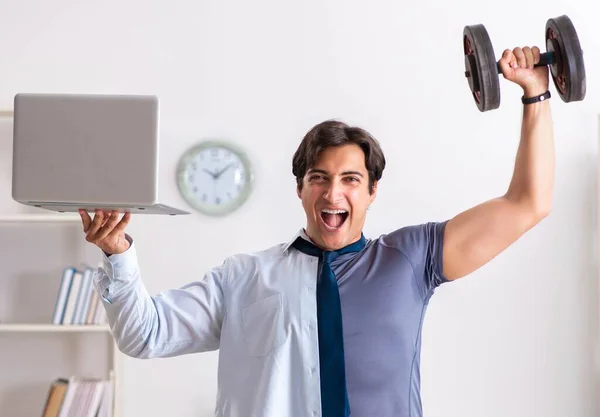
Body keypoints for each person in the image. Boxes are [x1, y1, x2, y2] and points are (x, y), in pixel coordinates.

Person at [79, 45, 553, 417]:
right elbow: (145, 334)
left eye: (350, 180)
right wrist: (117, 252)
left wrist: (534, 93)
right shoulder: (244, 277)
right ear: (301, 189)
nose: (333, 194)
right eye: (319, 179)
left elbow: (527, 203)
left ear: (372, 192)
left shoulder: (412, 258)